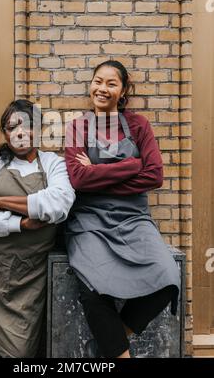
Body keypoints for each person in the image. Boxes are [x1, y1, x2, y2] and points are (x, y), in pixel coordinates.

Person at [64, 60, 181, 359]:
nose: (102, 88)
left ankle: (113, 342)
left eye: (111, 83)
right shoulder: (78, 127)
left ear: (123, 90)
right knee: (92, 288)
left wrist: (98, 175)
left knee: (168, 277)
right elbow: (78, 179)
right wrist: (130, 166)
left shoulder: (139, 125)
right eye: (97, 81)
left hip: (133, 218)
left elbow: (154, 176)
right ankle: (119, 355)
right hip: (89, 220)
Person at [0, 99, 75, 358]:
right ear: (6, 133)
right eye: (13, 127)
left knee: (24, 344)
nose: (20, 132)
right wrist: (20, 222)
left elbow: (57, 205)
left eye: (27, 125)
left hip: (30, 272)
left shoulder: (54, 164)